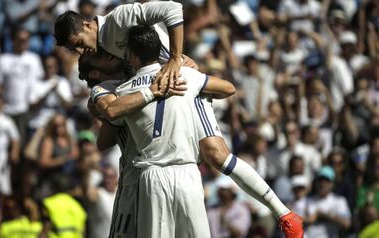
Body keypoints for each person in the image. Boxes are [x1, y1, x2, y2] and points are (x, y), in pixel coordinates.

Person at [86, 25, 303, 237]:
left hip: (148, 177)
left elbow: (104, 138)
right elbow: (229, 88)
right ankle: (285, 215)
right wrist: (192, 79)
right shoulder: (185, 76)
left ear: (130, 56)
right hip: (187, 171)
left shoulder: (122, 93)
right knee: (220, 158)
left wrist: (148, 95)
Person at [54, 1, 184, 87]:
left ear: (87, 25)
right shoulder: (105, 45)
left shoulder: (118, 18)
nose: (81, 52)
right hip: (169, 81)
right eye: (74, 49)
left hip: (181, 74)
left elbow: (172, 9)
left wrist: (175, 58)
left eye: (80, 43)